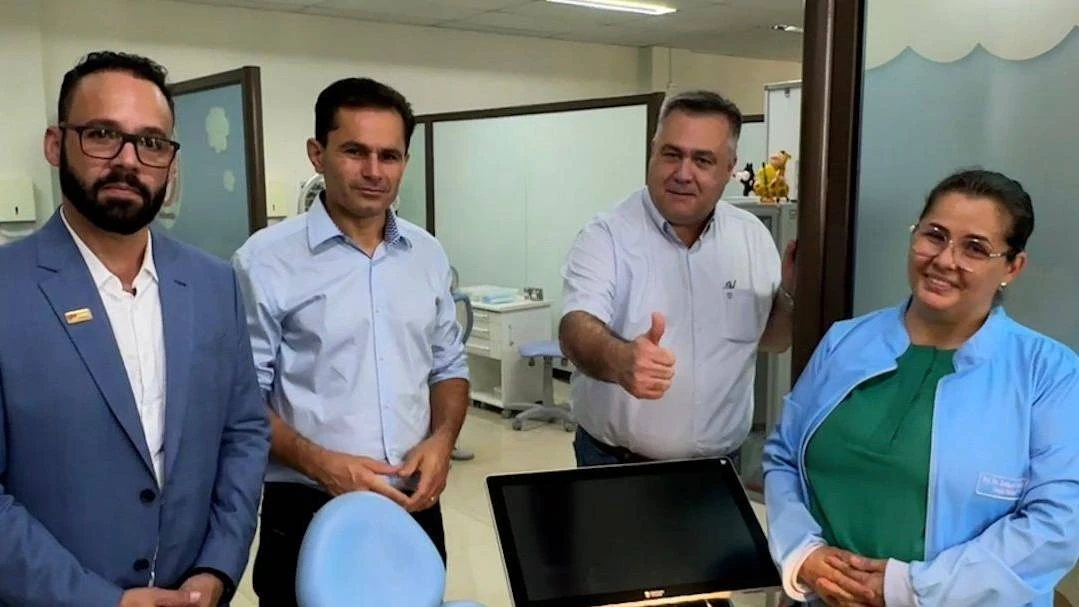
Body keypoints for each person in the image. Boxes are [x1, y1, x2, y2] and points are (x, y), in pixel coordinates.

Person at [0, 51, 269, 607]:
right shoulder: (10, 289)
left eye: (151, 142)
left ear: (170, 161)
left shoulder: (213, 283)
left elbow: (242, 433)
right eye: (102, 134)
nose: (128, 161)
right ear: (55, 144)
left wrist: (217, 567)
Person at [764, 169, 1079, 607]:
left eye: (974, 248)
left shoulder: (1049, 372)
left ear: (1012, 266)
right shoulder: (845, 342)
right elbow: (782, 458)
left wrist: (909, 588)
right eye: (934, 235)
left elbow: (1058, 523)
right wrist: (802, 553)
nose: (945, 260)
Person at [233, 77, 470, 606]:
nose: (374, 171)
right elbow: (242, 400)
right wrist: (322, 465)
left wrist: (442, 440)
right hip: (308, 504)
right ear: (317, 154)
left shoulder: (427, 255)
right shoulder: (265, 262)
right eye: (355, 152)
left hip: (412, 504)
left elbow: (448, 368)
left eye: (390, 155)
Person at [559, 89, 796, 467]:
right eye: (672, 154)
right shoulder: (606, 235)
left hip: (719, 468)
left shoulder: (751, 237)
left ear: (730, 167)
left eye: (703, 160)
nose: (683, 174)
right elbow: (575, 329)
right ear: (653, 152)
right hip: (616, 464)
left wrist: (791, 293)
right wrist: (620, 359)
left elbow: (772, 339)